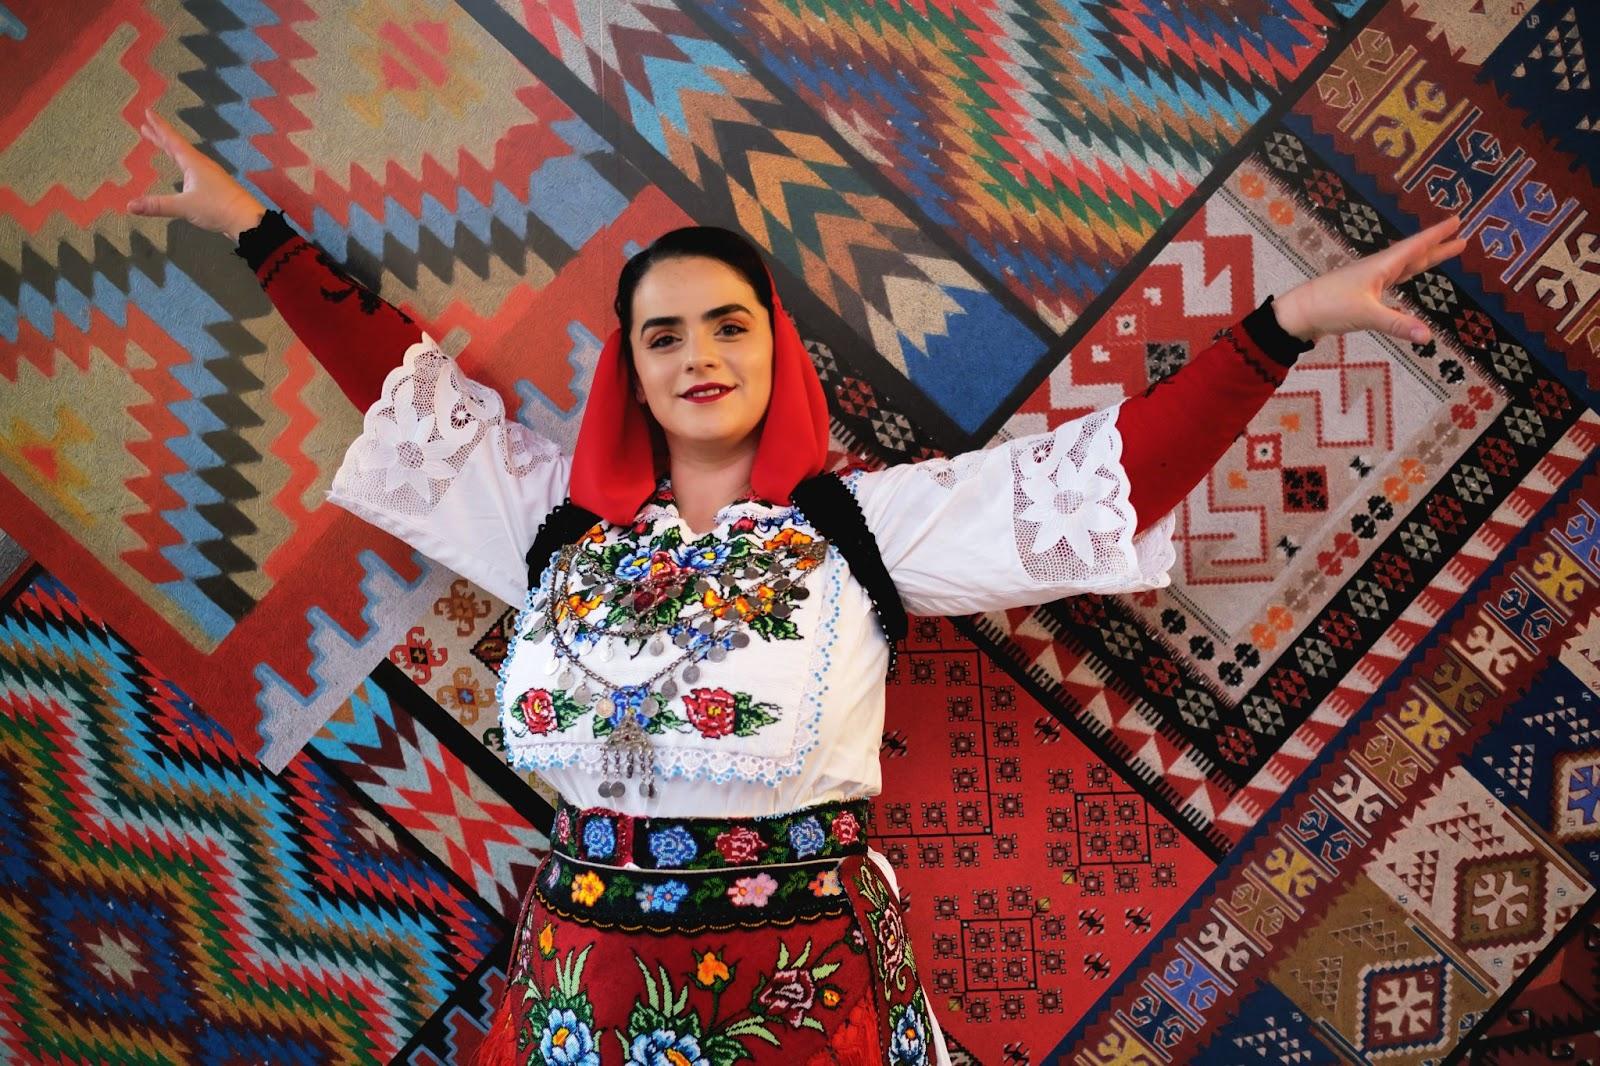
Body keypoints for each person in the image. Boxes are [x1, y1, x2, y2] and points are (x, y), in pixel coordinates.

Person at [128, 107, 1467, 1064]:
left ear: (777, 349)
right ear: (630, 370)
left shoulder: (865, 529)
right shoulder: (550, 526)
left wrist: (1286, 325)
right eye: (665, 333)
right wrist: (249, 228)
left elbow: (1101, 477)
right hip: (575, 999)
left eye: (731, 323)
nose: (700, 354)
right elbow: (402, 388)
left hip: (807, 999)